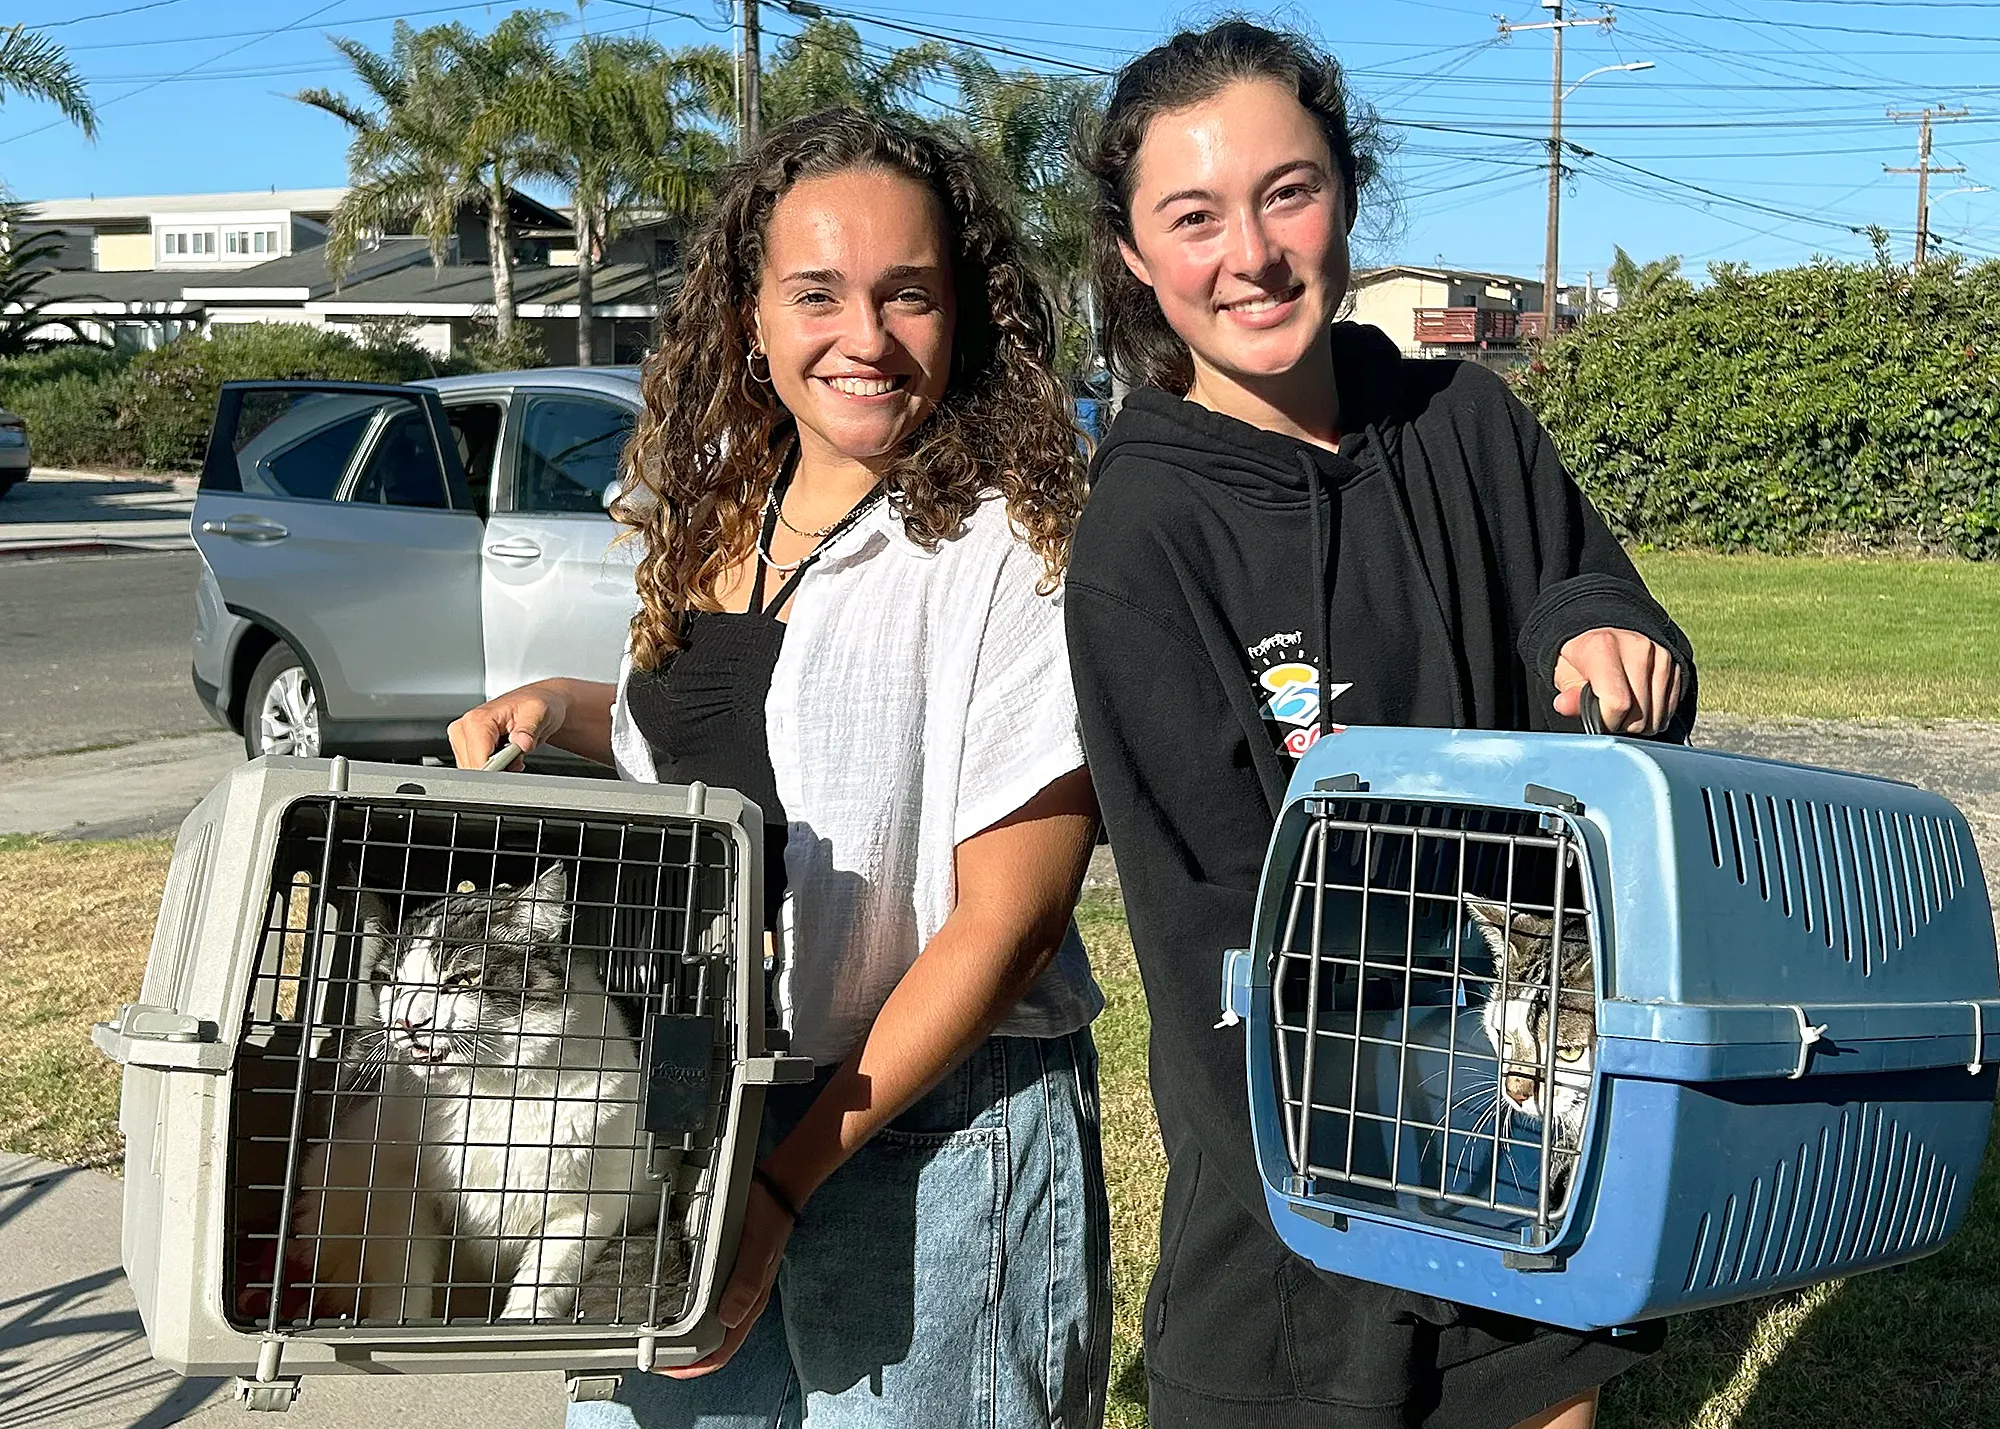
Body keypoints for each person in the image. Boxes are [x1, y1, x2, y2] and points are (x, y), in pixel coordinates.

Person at [1064, 21, 1696, 1429]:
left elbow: (1584, 584)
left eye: (1289, 191)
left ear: (1347, 191)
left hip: (1529, 1131)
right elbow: (1205, 921)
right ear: (1133, 254)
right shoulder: (1143, 535)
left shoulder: (1467, 420)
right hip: (1300, 1187)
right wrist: (1341, 1199)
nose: (1253, 254)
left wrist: (1603, 631)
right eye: (1194, 216)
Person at [448, 107, 1112, 1429]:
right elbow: (740, 744)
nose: (862, 339)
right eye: (817, 293)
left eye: (906, 295)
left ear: (963, 314)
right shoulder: (715, 501)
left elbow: (1014, 921)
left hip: (930, 1137)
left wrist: (782, 1186)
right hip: (699, 1105)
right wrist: (568, 708)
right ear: (751, 312)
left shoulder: (1013, 543)